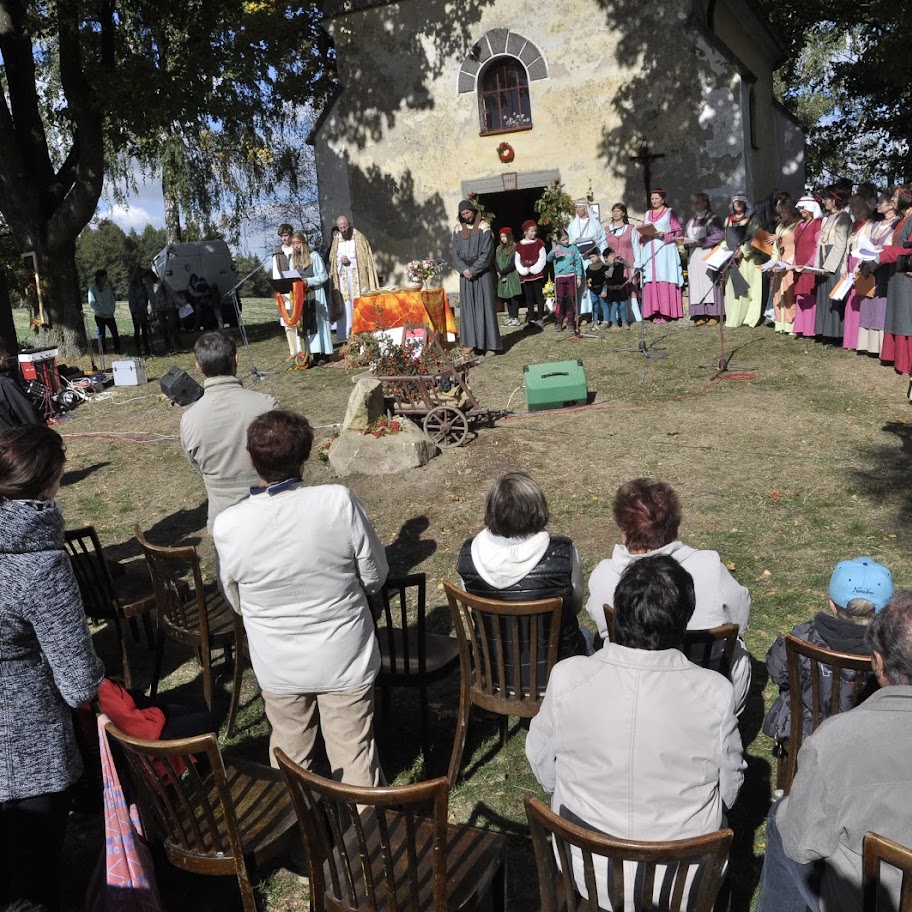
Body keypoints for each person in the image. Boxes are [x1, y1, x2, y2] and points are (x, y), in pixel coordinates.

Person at [526, 555, 745, 910]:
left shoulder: (567, 677)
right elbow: (731, 793)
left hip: (587, 869)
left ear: (619, 612)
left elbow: (542, 767)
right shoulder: (714, 693)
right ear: (683, 621)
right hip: (678, 880)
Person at [214, 410, 388, 784]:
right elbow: (375, 575)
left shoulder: (229, 524)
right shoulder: (337, 502)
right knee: (354, 753)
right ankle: (365, 838)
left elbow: (236, 598)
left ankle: (298, 834)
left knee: (290, 757)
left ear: (249, 457)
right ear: (306, 455)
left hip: (278, 662)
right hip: (343, 654)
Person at [0, 425, 105, 911]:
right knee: (34, 870)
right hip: (28, 747)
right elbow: (78, 678)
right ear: (50, 481)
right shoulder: (39, 562)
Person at [754, 593, 912, 912]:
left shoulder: (837, 741)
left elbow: (800, 845)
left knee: (781, 822)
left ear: (878, 663)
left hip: (871, 902)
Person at [586, 478, 752, 714]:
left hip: (632, 692)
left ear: (623, 530)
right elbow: (741, 620)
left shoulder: (603, 575)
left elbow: (603, 629)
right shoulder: (710, 568)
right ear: (675, 525)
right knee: (739, 647)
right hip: (706, 696)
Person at [456, 471, 588, 663]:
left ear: (492, 510)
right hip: (559, 674)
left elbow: (473, 610)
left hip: (494, 674)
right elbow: (574, 607)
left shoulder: (469, 556)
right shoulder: (563, 554)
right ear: (538, 508)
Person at [762, 556, 892, 745]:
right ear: (886, 610)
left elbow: (778, 672)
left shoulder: (803, 637)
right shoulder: (891, 647)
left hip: (809, 732)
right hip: (870, 739)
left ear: (832, 604)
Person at [179, 331, 280, 533]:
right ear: (236, 359)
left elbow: (198, 466)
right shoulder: (266, 406)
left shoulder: (189, 420)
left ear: (198, 367)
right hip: (271, 515)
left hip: (223, 522)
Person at [451, 199, 502, 355]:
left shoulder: (484, 228)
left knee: (485, 307)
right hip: (465, 275)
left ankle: (490, 345)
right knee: (468, 309)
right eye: (463, 214)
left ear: (473, 211)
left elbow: (487, 253)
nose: (466, 216)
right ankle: (470, 343)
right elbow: (455, 253)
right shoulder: (458, 230)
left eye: (468, 212)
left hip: (482, 274)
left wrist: (473, 270)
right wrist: (463, 269)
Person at [875, 186, 912, 377]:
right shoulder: (903, 220)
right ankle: (897, 358)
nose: (893, 200)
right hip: (897, 273)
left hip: (906, 274)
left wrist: (884, 254)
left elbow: (908, 249)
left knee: (906, 318)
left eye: (896, 197)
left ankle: (908, 362)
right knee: (898, 316)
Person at [856, 191, 899, 356]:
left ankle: (879, 347)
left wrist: (873, 264)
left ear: (890, 205)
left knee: (880, 306)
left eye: (881, 202)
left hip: (884, 270)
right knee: (867, 304)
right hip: (869, 269)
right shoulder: (875, 224)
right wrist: (864, 264)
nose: (877, 205)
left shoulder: (896, 224)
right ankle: (867, 345)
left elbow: (889, 248)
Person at [635, 189, 684, 322]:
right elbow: (642, 233)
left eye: (656, 198)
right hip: (649, 250)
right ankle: (652, 311)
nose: (654, 201)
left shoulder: (669, 212)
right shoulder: (647, 213)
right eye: (652, 199)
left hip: (664, 251)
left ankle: (666, 311)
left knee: (664, 276)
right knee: (650, 277)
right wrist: (643, 233)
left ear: (662, 199)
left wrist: (666, 235)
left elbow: (678, 232)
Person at [328, 215, 379, 342]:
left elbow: (365, 260)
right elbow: (332, 260)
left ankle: (363, 331)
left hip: (357, 277)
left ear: (349, 224)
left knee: (358, 302)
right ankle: (347, 334)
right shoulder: (336, 240)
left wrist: (350, 260)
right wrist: (340, 261)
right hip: (343, 278)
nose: (343, 230)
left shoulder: (359, 238)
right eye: (340, 228)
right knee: (346, 304)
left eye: (345, 227)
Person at [814, 186, 852, 345]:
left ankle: (835, 335)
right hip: (824, 258)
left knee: (833, 297)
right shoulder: (827, 218)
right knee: (823, 295)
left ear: (835, 200)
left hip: (834, 261)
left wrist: (829, 265)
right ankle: (824, 331)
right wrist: (818, 265)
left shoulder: (843, 218)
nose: (824, 201)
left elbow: (841, 244)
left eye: (826, 199)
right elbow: (821, 243)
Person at [681, 192, 725, 326]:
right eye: (695, 202)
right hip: (693, 256)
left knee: (709, 283)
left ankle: (714, 314)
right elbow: (686, 235)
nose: (696, 205)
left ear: (706, 203)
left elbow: (720, 234)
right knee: (696, 285)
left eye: (698, 202)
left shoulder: (713, 218)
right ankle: (700, 313)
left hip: (707, 253)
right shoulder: (691, 221)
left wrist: (702, 241)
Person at [291, 231, 333, 366]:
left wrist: (308, 281)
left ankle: (324, 354)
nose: (296, 247)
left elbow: (323, 276)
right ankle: (312, 353)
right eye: (293, 244)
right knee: (307, 325)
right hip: (301, 297)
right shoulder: (293, 260)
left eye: (297, 243)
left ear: (303, 243)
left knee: (318, 324)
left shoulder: (314, 256)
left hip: (315, 295)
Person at [722, 195, 765, 328]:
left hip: (748, 259)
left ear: (745, 204)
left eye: (740, 201)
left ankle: (749, 317)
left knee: (750, 288)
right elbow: (725, 237)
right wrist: (724, 246)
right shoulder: (728, 220)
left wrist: (743, 251)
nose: (738, 204)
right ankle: (734, 317)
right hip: (732, 258)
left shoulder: (753, 219)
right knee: (733, 287)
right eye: (735, 201)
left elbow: (756, 237)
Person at [568, 199, 609, 325]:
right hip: (580, 258)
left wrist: (602, 257)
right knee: (582, 285)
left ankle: (597, 312)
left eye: (580, 207)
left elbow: (602, 239)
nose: (578, 210)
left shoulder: (595, 223)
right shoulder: (573, 225)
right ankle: (585, 313)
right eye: (577, 208)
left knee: (596, 282)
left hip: (593, 258)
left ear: (586, 208)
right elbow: (569, 243)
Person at [842, 195, 875, 350]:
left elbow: (868, 250)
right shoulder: (852, 226)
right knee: (850, 301)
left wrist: (858, 269)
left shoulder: (869, 225)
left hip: (861, 265)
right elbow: (846, 249)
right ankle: (849, 340)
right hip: (849, 264)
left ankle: (858, 341)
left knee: (860, 301)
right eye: (851, 204)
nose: (853, 208)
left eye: (855, 205)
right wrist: (844, 267)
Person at [792, 196, 824, 338]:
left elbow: (818, 245)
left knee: (810, 296)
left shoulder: (817, 224)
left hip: (809, 266)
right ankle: (800, 327)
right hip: (799, 266)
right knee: (800, 295)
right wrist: (794, 263)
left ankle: (810, 329)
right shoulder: (800, 225)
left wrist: (810, 263)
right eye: (799, 209)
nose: (801, 211)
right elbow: (796, 246)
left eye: (803, 208)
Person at [604, 203, 640, 324]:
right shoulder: (607, 230)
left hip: (627, 263)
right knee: (614, 289)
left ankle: (632, 315)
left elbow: (636, 247)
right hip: (613, 266)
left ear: (623, 213)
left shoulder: (630, 229)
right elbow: (604, 248)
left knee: (630, 288)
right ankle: (616, 317)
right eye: (613, 211)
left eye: (618, 211)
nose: (615, 213)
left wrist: (637, 263)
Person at [272, 223, 302, 359]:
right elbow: (276, 274)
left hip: (297, 289)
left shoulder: (297, 249)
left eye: (286, 236)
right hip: (284, 290)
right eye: (282, 236)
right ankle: (293, 351)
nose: (284, 239)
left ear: (290, 235)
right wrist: (279, 292)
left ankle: (302, 348)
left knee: (299, 319)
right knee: (287, 321)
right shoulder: (278, 253)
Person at [771, 200, 800, 334]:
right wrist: (773, 263)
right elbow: (776, 248)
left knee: (790, 291)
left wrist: (790, 262)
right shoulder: (780, 225)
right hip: (780, 260)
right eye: (780, 212)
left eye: (784, 212)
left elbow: (797, 245)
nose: (782, 215)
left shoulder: (798, 224)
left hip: (791, 260)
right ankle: (780, 323)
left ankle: (791, 324)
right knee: (778, 292)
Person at [546, 229, 584, 333]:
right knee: (561, 300)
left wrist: (579, 277)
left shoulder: (573, 248)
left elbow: (578, 262)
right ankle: (558, 322)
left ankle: (571, 322)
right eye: (563, 240)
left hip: (571, 276)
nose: (566, 241)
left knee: (571, 299)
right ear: (558, 240)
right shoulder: (557, 248)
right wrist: (553, 251)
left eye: (567, 239)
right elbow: (548, 259)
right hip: (560, 277)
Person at [0, 343, 44, 430]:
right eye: (4, 352)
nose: (7, 355)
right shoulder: (4, 383)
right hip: (10, 439)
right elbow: (27, 414)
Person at [515, 219, 547, 329]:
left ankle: (540, 318)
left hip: (536, 273)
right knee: (529, 297)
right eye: (531, 231)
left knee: (538, 296)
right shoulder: (519, 245)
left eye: (534, 231)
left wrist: (534, 269)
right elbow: (517, 260)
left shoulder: (539, 243)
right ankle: (532, 319)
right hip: (526, 275)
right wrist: (524, 270)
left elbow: (542, 258)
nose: (533, 233)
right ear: (525, 232)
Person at [87, 268, 121, 355]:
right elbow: (92, 303)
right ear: (99, 277)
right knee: (101, 335)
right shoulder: (92, 289)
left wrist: (112, 309)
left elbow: (112, 299)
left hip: (110, 315)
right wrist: (100, 311)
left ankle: (117, 350)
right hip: (100, 316)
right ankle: (103, 351)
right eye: (104, 276)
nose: (106, 278)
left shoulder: (107, 287)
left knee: (115, 333)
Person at [495, 227, 523, 326]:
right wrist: (499, 272)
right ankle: (511, 316)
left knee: (513, 297)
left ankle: (515, 317)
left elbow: (513, 263)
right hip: (502, 275)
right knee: (506, 297)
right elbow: (496, 262)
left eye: (505, 236)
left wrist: (503, 272)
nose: (503, 239)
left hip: (511, 275)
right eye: (501, 237)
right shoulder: (498, 249)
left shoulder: (514, 247)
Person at [151, 271, 181, 354]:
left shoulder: (162, 283)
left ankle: (177, 345)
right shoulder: (151, 287)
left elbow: (171, 292)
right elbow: (153, 300)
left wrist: (178, 302)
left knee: (172, 326)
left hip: (168, 307)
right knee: (163, 328)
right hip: (160, 309)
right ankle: (169, 347)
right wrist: (153, 311)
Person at [127, 268, 152, 356]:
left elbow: (146, 297)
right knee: (137, 330)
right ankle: (138, 349)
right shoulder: (132, 287)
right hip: (136, 311)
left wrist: (145, 306)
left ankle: (147, 348)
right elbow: (132, 300)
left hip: (143, 310)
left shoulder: (143, 286)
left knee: (145, 330)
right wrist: (135, 310)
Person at [585, 249, 609, 328]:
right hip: (592, 290)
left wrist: (604, 290)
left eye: (593, 257)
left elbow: (606, 280)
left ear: (598, 255)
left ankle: (606, 320)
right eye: (590, 257)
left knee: (603, 304)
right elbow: (587, 279)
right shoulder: (589, 268)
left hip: (601, 289)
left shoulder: (604, 267)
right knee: (594, 305)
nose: (592, 259)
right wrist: (586, 290)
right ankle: (594, 320)